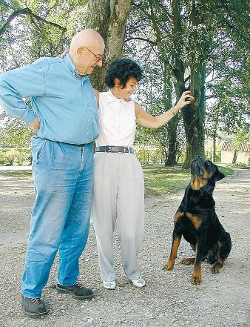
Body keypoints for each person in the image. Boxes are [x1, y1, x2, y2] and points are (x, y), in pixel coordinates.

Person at [0, 29, 105, 317]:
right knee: (48, 226)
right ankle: (31, 291)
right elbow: (4, 83)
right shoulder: (48, 70)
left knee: (78, 226)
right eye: (96, 57)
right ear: (80, 51)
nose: (98, 64)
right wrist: (30, 119)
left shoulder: (84, 80)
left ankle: (67, 281)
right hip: (55, 154)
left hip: (85, 155)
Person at [92, 58, 194, 290]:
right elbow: (75, 89)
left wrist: (177, 107)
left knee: (132, 224)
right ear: (117, 81)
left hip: (129, 163)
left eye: (136, 84)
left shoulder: (133, 106)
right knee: (103, 223)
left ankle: (132, 271)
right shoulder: (98, 98)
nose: (134, 89)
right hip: (102, 160)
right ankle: (107, 274)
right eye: (131, 84)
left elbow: (156, 122)